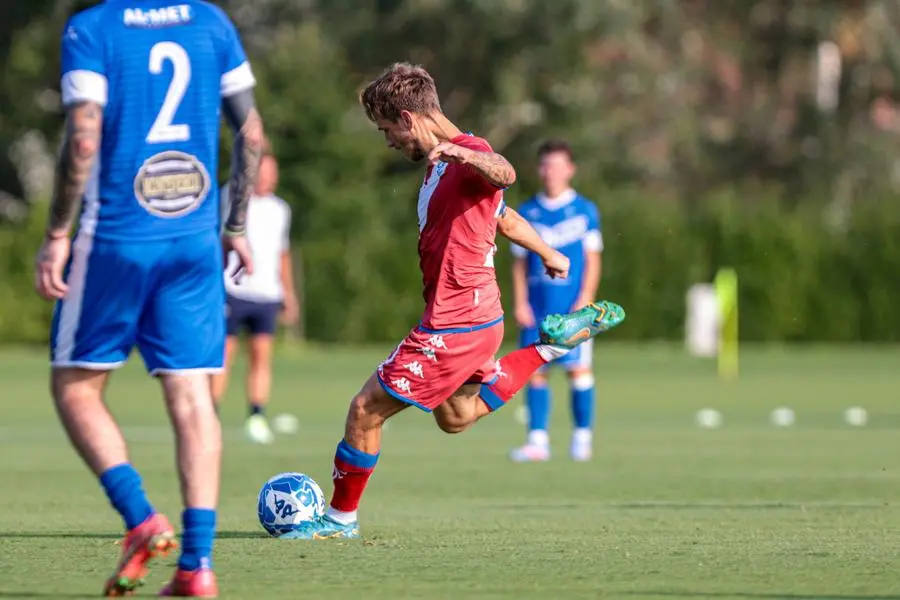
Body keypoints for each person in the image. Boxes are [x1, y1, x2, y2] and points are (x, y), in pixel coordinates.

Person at [278, 62, 624, 540]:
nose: (389, 142)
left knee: (365, 409)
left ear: (407, 117)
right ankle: (551, 347)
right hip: (479, 321)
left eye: (386, 131)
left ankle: (339, 521)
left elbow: (503, 172)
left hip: (456, 321)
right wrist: (549, 253)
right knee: (457, 417)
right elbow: (503, 217)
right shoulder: (442, 165)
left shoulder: (466, 154)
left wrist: (464, 156)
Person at [33, 1, 264, 596]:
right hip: (192, 241)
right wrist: (235, 225)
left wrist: (57, 233)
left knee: (76, 385)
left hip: (115, 237)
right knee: (192, 395)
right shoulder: (212, 23)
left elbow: (84, 142)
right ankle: (198, 567)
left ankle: (139, 519)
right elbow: (252, 133)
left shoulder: (93, 28)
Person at [509, 140, 603, 463]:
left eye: (558, 165)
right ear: (539, 170)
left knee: (579, 370)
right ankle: (537, 441)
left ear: (571, 169)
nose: (552, 171)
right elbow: (519, 262)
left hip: (573, 306)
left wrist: (586, 297)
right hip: (538, 307)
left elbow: (593, 258)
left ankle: (582, 438)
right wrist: (520, 302)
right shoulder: (527, 212)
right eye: (546, 165)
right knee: (535, 371)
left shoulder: (585, 211)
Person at [213, 148, 298, 444]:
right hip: (233, 290)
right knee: (223, 356)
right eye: (264, 171)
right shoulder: (233, 198)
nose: (269, 178)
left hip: (266, 293)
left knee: (261, 357)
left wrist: (289, 294)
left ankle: (257, 415)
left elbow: (283, 254)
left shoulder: (280, 209)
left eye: (273, 173)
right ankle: (210, 416)